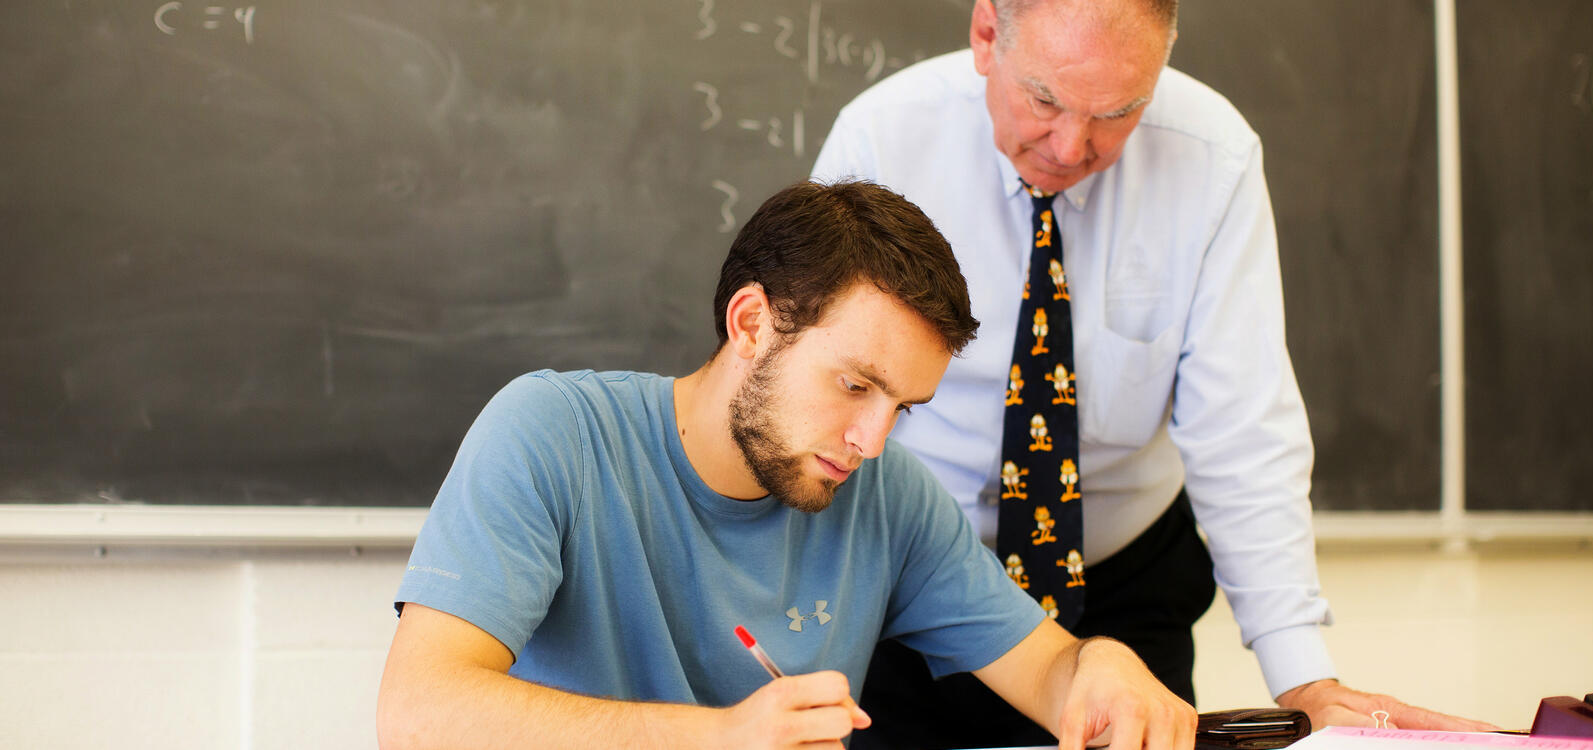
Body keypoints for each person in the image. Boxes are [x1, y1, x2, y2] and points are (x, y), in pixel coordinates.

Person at [810, 1, 1497, 747]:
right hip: (910, 587)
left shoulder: (1213, 156)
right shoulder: (883, 138)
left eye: (1119, 112)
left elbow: (1240, 428)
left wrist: (1303, 677)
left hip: (1122, 589)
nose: (1073, 146)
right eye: (1044, 100)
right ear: (985, 37)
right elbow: (815, 384)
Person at [376, 180, 1197, 750]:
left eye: (901, 408)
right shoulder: (552, 433)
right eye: (854, 385)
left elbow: (1051, 672)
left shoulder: (890, 500)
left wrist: (1102, 664)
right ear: (751, 324)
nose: (872, 441)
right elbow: (419, 714)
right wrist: (720, 738)